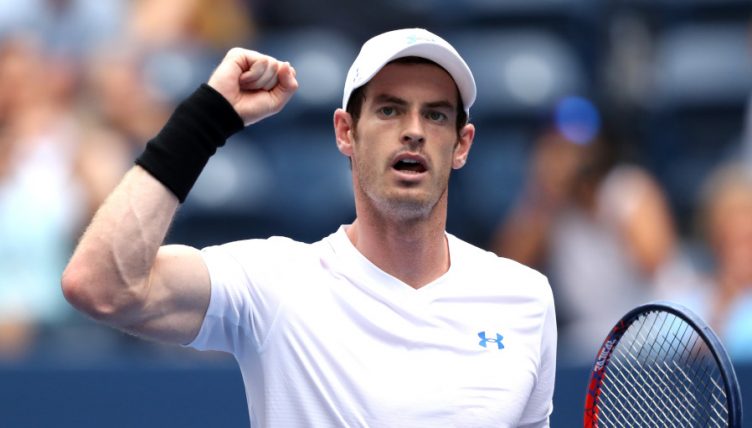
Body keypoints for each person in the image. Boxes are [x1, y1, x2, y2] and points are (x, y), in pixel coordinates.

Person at [62, 28, 556, 427]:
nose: (414, 130)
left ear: (462, 144)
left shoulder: (525, 299)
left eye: (436, 115)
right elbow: (101, 286)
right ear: (346, 132)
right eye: (389, 110)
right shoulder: (273, 283)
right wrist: (205, 119)